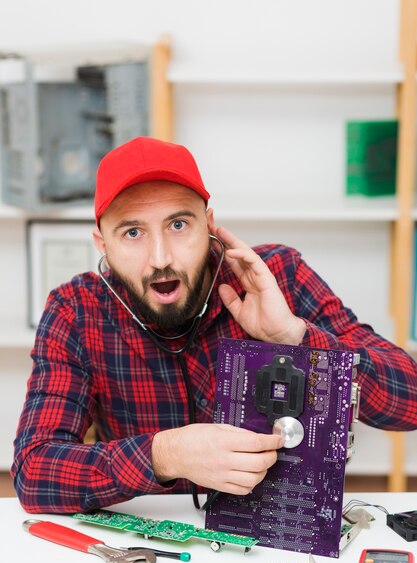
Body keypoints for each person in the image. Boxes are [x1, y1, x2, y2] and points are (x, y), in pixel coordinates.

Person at [12, 136, 417, 514]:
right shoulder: (75, 309)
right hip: (154, 533)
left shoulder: (277, 275)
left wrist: (294, 335)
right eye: (132, 232)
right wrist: (165, 454)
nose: (160, 258)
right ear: (103, 244)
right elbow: (33, 473)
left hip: (280, 527)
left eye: (178, 225)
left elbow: (411, 401)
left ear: (209, 224)